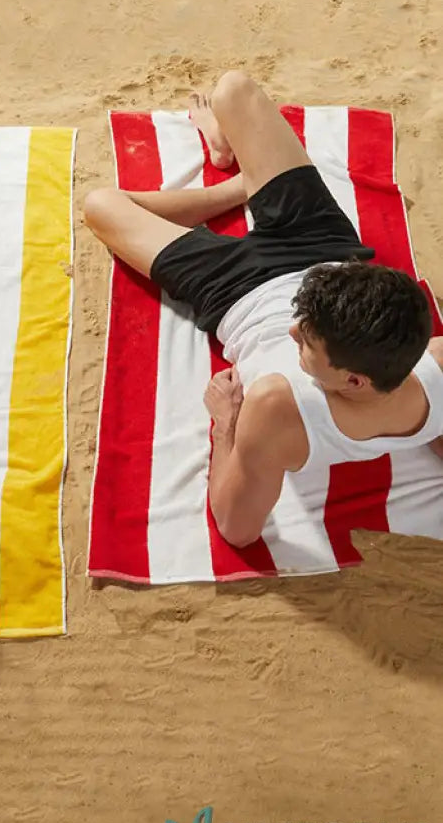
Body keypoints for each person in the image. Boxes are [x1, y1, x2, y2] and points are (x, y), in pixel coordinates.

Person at [83, 71, 443, 548]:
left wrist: (226, 425)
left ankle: (238, 188)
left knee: (100, 204)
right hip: (328, 254)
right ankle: (245, 179)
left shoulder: (279, 406)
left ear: (354, 381)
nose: (294, 331)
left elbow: (237, 528)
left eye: (306, 341)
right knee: (233, 89)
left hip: (237, 288)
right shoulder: (436, 360)